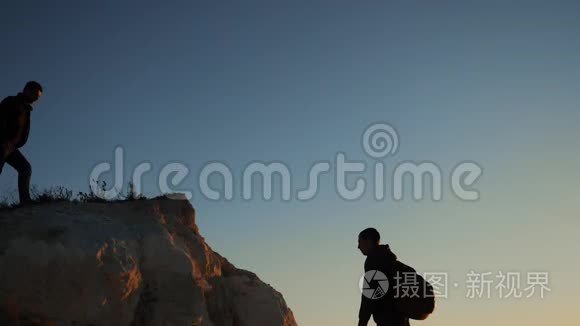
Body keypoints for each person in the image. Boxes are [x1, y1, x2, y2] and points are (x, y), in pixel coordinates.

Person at [0, 81, 43, 205]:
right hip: (2, 143)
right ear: (27, 90)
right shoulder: (10, 101)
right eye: (35, 95)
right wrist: (3, 141)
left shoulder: (27, 110)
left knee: (25, 168)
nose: (35, 99)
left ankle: (25, 201)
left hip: (11, 147)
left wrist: (14, 144)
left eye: (38, 98)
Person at [357, 227, 409, 326]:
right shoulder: (388, 258)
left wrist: (362, 321)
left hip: (387, 318)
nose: (358, 246)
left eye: (360, 241)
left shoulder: (373, 260)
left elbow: (369, 293)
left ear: (367, 240)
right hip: (402, 318)